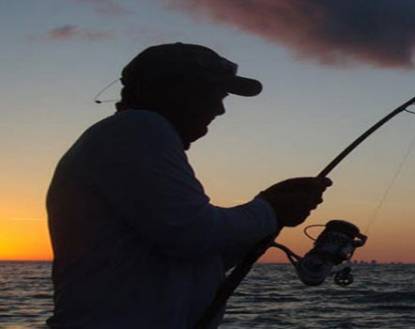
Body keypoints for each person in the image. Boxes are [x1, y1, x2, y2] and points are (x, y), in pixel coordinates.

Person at [45, 42, 330, 328]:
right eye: (213, 94)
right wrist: (270, 210)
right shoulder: (138, 128)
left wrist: (269, 210)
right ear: (173, 90)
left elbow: (197, 256)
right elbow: (191, 232)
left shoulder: (128, 138)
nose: (220, 110)